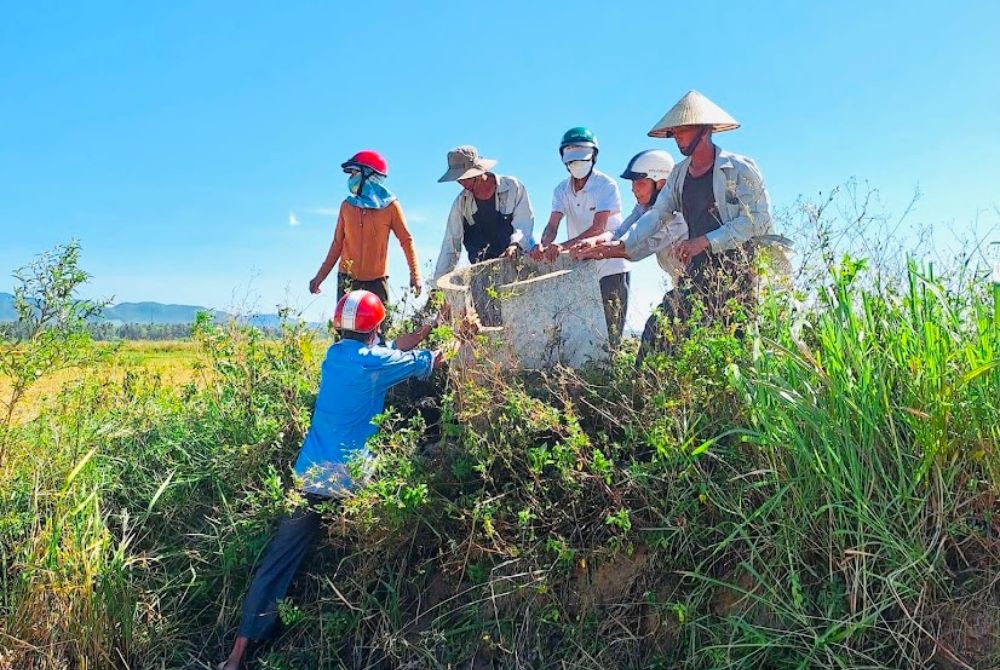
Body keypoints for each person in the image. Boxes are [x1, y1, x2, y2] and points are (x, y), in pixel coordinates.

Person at [217, 290, 444, 670]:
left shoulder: (335, 356)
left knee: (276, 563)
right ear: (376, 326)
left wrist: (425, 328)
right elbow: (429, 362)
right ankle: (374, 629)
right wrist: (451, 335)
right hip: (351, 482)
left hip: (310, 477)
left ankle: (236, 655)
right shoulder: (377, 362)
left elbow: (391, 347)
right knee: (409, 491)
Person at [576, 91, 773, 359]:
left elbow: (756, 220)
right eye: (674, 131)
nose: (676, 136)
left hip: (739, 271)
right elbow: (657, 215)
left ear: (704, 130)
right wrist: (617, 244)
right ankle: (645, 399)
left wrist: (704, 241)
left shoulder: (739, 168)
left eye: (683, 129)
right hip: (698, 271)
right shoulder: (679, 174)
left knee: (737, 345)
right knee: (658, 331)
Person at [530, 127, 630, 344]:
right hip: (581, 267)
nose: (576, 165)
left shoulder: (606, 185)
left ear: (593, 156)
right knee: (583, 335)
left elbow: (599, 227)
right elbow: (552, 224)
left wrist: (561, 246)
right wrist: (544, 244)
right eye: (572, 160)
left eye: (581, 159)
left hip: (611, 266)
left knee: (611, 333)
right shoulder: (561, 190)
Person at [309, 150, 422, 304]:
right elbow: (337, 244)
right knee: (346, 326)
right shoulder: (347, 206)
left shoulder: (390, 206)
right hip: (347, 279)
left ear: (369, 175)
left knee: (379, 327)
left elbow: (406, 240)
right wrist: (319, 277)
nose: (350, 178)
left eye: (354, 173)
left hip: (376, 281)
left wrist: (415, 275)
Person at [432, 145, 536, 284]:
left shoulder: (513, 187)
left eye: (465, 178)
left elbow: (524, 223)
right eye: (459, 179)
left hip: (520, 266)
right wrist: (437, 287)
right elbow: (450, 246)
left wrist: (515, 245)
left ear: (479, 172)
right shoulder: (461, 204)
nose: (462, 183)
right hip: (484, 276)